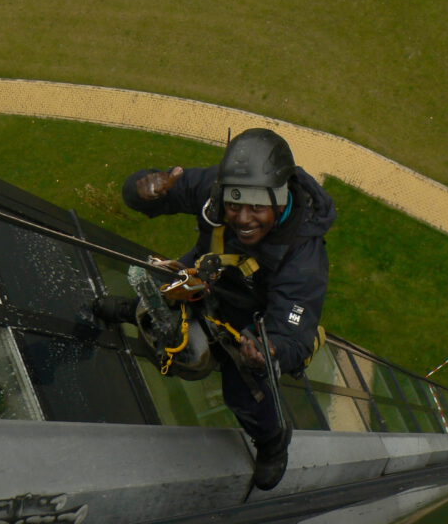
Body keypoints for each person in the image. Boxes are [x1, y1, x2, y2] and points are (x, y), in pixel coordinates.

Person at [99, 128, 336, 490]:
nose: (242, 218)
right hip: (204, 282)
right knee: (164, 309)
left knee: (243, 393)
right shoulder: (219, 187)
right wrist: (143, 190)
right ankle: (132, 310)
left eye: (257, 207)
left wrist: (270, 350)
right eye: (235, 204)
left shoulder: (302, 260)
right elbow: (152, 193)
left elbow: (293, 330)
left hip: (250, 323)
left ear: (281, 198)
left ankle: (273, 443)